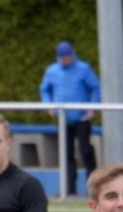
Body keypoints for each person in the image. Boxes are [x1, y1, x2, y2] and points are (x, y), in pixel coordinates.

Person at [39, 41, 101, 196]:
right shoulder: (52, 71)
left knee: (85, 150)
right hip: (63, 118)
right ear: (58, 57)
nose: (66, 60)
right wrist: (49, 105)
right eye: (63, 57)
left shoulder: (83, 68)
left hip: (82, 117)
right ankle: (69, 190)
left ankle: (94, 187)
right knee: (66, 153)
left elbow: (95, 87)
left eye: (68, 56)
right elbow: (45, 89)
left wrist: (93, 107)